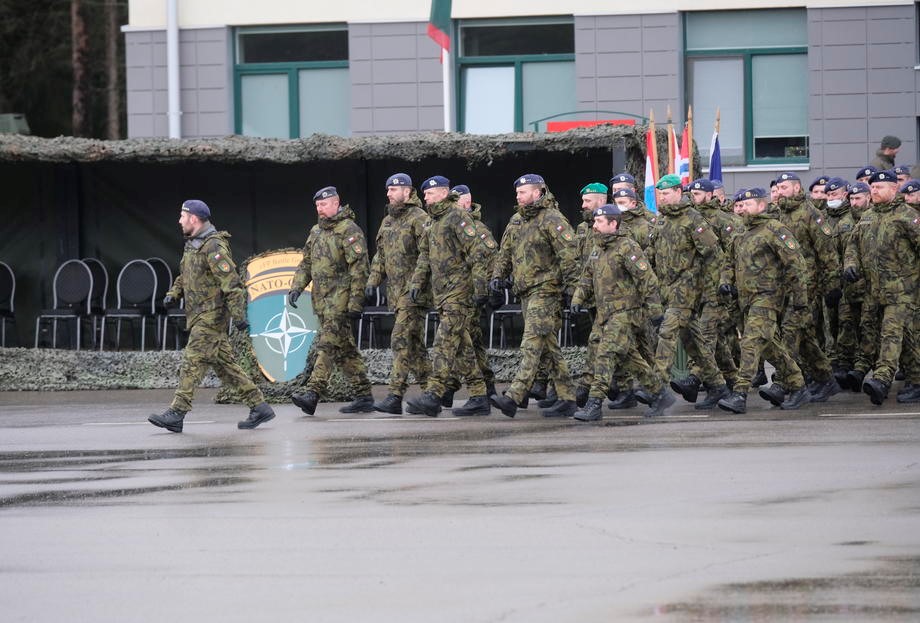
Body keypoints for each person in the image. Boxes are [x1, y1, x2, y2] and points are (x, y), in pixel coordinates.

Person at [149, 199, 275, 432]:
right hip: (197, 315)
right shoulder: (193, 244)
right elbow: (186, 274)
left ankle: (177, 412)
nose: (179, 220)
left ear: (194, 219)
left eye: (182, 216)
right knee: (226, 367)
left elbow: (232, 283)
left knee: (192, 361)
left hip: (211, 316)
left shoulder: (214, 246)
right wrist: (173, 293)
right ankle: (259, 406)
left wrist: (238, 315)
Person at [569, 204, 672, 421]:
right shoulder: (598, 249)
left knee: (606, 354)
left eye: (599, 222)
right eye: (595, 221)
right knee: (628, 357)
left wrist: (655, 312)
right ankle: (660, 393)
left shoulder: (627, 247)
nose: (594, 226)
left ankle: (594, 404)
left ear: (613, 224)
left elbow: (647, 280)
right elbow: (587, 278)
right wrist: (578, 298)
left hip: (625, 313)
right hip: (604, 315)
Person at [489, 173, 580, 418]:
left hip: (547, 290)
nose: (518, 196)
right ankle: (567, 397)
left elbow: (569, 255)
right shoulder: (517, 220)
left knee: (531, 342)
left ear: (537, 192)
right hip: (525, 292)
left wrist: (573, 291)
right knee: (548, 345)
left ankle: (516, 395)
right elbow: (504, 252)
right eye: (517, 192)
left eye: (523, 192)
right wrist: (498, 276)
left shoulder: (552, 219)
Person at [405, 176, 494, 417]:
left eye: (430, 194)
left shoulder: (457, 216)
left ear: (443, 193)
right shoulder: (432, 221)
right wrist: (416, 282)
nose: (425, 197)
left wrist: (480, 288)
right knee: (463, 346)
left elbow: (477, 252)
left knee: (444, 341)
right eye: (425, 194)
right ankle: (479, 396)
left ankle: (433, 395)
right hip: (441, 293)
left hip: (459, 291)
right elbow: (424, 255)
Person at [717, 188, 812, 413]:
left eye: (748, 205)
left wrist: (800, 298)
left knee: (750, 342)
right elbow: (728, 262)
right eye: (741, 204)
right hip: (745, 300)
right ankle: (798, 387)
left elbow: (795, 264)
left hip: (768, 297)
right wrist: (725, 281)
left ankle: (739, 394)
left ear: (762, 205)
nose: (743, 209)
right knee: (770, 347)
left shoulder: (775, 229)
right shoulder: (740, 232)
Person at [289, 187, 374, 415]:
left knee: (326, 345)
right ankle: (364, 395)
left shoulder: (349, 230)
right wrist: (297, 286)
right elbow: (306, 263)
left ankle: (313, 393)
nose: (320, 209)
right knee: (344, 350)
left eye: (324, 205)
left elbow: (360, 268)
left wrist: (356, 301)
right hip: (322, 301)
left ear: (336, 203)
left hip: (341, 299)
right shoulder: (316, 231)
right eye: (317, 206)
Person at [649, 174, 730, 409]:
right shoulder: (662, 221)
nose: (662, 198)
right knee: (695, 343)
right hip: (667, 291)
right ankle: (717, 386)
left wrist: (711, 290)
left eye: (665, 194)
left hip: (687, 291)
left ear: (678, 192)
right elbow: (653, 257)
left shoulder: (693, 218)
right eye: (659, 194)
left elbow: (714, 255)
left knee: (666, 333)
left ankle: (658, 389)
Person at [843, 170, 920, 404]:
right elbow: (852, 246)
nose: (874, 191)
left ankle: (882, 379)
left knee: (891, 333)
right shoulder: (867, 216)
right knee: (905, 337)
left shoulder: (907, 216)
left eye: (880, 188)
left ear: (894, 189)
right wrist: (851, 264)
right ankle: (917, 381)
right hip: (875, 290)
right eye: (873, 188)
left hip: (903, 289)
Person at [366, 173, 431, 415]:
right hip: (396, 295)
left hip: (415, 294)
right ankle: (432, 392)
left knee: (400, 339)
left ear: (407, 191)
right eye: (388, 189)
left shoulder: (419, 218)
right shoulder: (387, 222)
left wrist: (417, 284)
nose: (389, 193)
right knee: (414, 346)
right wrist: (372, 282)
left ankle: (394, 396)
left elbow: (427, 255)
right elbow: (380, 257)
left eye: (394, 189)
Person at [773, 171, 841, 403]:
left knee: (791, 331)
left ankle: (786, 384)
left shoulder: (812, 214)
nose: (780, 192)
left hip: (807, 285)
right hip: (783, 286)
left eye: (784, 188)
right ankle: (825, 379)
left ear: (796, 188)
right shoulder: (777, 215)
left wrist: (832, 285)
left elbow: (827, 252)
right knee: (806, 335)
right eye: (778, 188)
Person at [439, 183, 498, 401]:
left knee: (465, 339)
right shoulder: (449, 225)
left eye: (456, 201)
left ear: (466, 201)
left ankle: (452, 387)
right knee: (468, 340)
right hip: (456, 293)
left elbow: (490, 259)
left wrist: (486, 290)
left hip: (471, 294)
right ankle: (484, 385)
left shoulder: (477, 229)